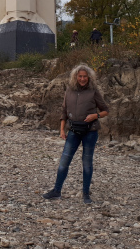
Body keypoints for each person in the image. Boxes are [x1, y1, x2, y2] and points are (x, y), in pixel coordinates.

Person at [43, 64, 109, 204]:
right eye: (80, 76)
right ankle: (56, 191)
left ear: (89, 77)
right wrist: (62, 130)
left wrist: (95, 116)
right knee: (64, 162)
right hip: (73, 131)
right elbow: (64, 111)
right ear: (75, 77)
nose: (83, 79)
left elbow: (105, 110)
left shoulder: (94, 91)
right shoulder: (69, 91)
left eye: (85, 76)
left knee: (87, 163)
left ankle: (86, 194)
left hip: (90, 132)